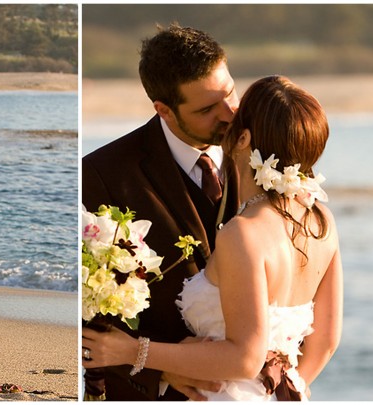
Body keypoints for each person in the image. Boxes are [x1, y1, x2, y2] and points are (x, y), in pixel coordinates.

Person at [82, 75, 343, 401]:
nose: (227, 118)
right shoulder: (321, 220)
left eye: (237, 110)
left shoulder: (244, 234)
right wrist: (272, 392)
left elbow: (245, 359)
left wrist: (134, 351)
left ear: (244, 138)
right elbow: (327, 340)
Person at [82, 25, 239, 400]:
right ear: (163, 110)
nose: (230, 114)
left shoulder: (268, 150)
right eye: (207, 109)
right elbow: (83, 315)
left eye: (230, 93)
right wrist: (159, 368)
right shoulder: (100, 175)